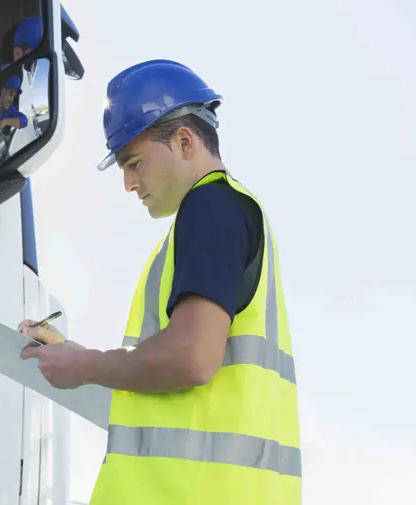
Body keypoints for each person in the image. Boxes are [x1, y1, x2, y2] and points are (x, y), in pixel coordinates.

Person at [19, 59, 301, 504]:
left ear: (184, 141)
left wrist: (85, 364)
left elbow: (190, 358)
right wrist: (74, 360)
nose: (129, 184)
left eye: (134, 163)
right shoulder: (226, 212)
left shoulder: (211, 206)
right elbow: (173, 390)